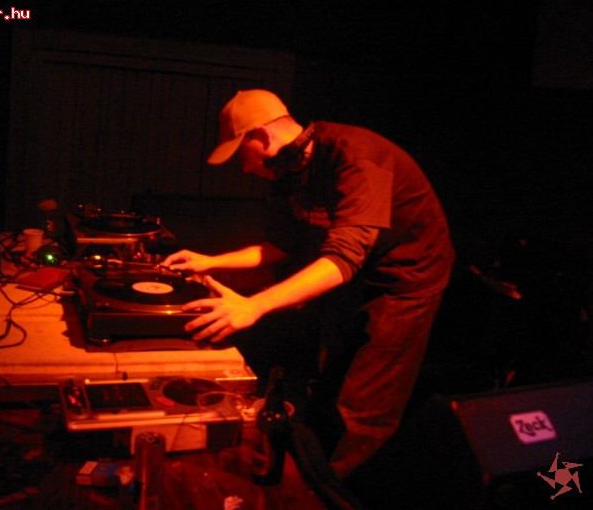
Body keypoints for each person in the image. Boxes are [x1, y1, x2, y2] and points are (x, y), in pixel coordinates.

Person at [163, 89, 455, 479]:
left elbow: (343, 258)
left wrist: (254, 305)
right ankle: (310, 466)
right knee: (328, 377)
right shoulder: (290, 173)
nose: (244, 168)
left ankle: (332, 492)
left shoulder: (356, 157)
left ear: (262, 137)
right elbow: (282, 246)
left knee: (363, 402)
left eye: (241, 154)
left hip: (406, 280)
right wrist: (210, 261)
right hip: (358, 271)